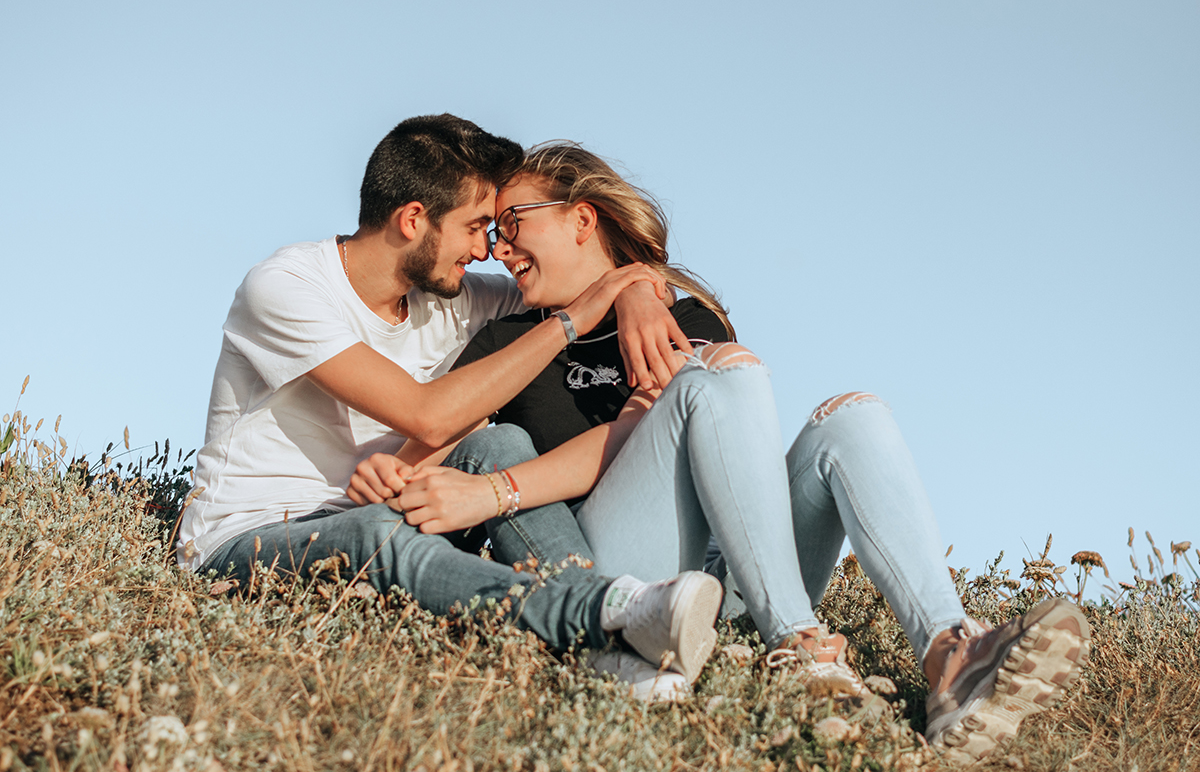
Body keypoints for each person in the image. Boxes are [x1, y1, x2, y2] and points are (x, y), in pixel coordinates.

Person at [347, 142, 1092, 763]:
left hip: (737, 576)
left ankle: (949, 654)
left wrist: (637, 292)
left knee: (852, 419)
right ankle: (798, 646)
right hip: (623, 574)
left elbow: (653, 420)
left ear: (581, 218)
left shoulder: (679, 313)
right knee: (721, 375)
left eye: (513, 223)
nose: (499, 248)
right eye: (493, 231)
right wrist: (395, 476)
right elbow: (429, 447)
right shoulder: (513, 340)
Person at [177, 116, 725, 695]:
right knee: (372, 533)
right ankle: (610, 617)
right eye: (476, 227)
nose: (486, 250)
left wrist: (638, 293)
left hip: (391, 504)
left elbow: (584, 278)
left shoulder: (454, 298)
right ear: (414, 219)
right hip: (249, 538)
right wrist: (570, 323)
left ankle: (604, 634)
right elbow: (428, 415)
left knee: (500, 444)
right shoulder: (286, 287)